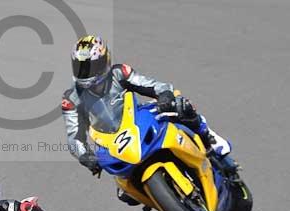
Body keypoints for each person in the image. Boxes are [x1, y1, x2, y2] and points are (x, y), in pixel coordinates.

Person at [62, 35, 233, 201]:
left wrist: (164, 95)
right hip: (111, 140)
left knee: (182, 107)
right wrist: (85, 157)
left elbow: (150, 84)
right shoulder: (71, 98)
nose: (86, 73)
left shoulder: (119, 73)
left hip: (137, 117)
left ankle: (209, 140)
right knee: (125, 194)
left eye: (91, 67)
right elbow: (74, 137)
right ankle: (158, 196)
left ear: (104, 61)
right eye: (81, 67)